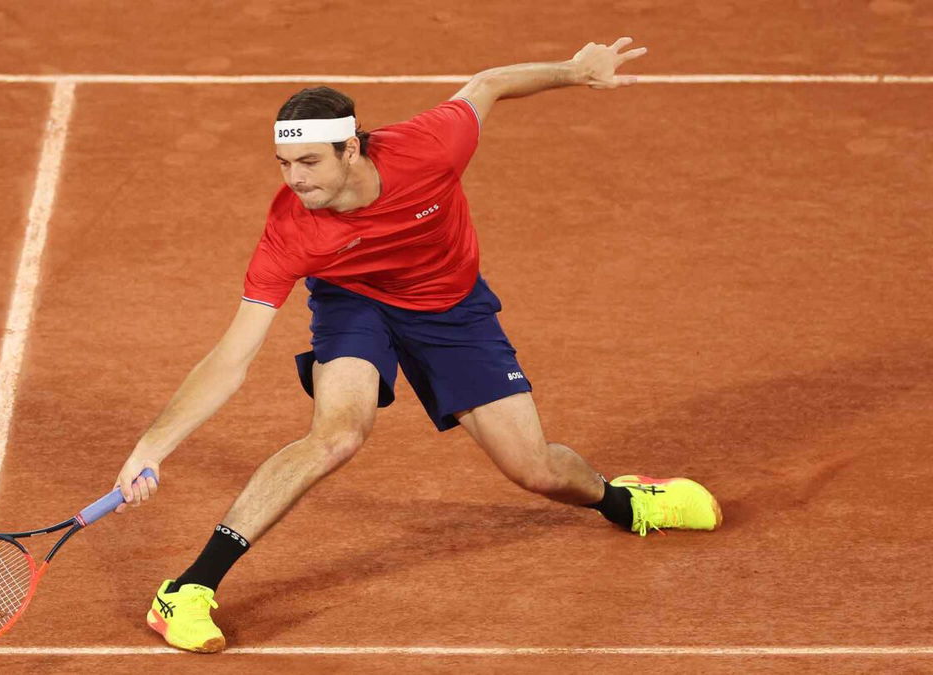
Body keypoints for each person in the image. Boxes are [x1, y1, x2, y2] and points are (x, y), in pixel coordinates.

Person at [113, 37, 721, 654]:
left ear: (351, 148)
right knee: (337, 434)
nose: (295, 180)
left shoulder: (429, 148)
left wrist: (574, 71)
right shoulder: (292, 233)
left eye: (310, 163)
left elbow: (487, 84)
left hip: (451, 309)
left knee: (534, 469)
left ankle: (625, 501)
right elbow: (232, 356)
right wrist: (152, 446)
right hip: (356, 303)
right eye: (283, 163)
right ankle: (188, 589)